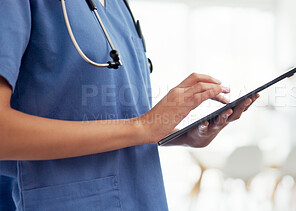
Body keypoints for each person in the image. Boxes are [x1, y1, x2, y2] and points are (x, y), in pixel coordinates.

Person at [0, 0, 258, 210]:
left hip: (145, 196)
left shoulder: (118, 6)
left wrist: (175, 134)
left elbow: (116, 121)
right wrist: (143, 126)